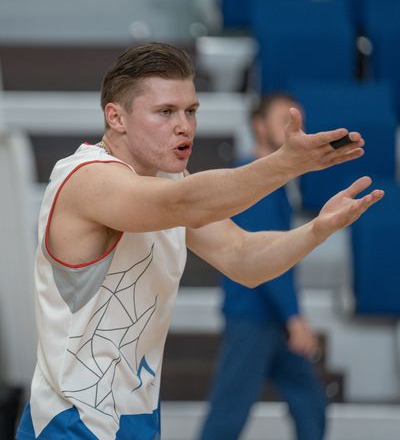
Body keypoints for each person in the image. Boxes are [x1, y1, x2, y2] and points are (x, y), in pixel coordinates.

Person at [16, 43, 383, 440]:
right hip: (69, 425)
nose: (184, 126)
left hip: (134, 422)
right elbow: (184, 203)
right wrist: (284, 163)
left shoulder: (169, 180)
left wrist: (316, 231)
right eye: (165, 112)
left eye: (190, 111)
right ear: (116, 117)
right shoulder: (87, 177)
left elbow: (244, 258)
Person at [199, 93, 327, 440]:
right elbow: (261, 253)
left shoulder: (278, 184)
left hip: (273, 318)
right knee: (227, 418)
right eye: (286, 121)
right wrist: (295, 318)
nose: (296, 130)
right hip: (252, 317)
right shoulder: (250, 179)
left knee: (311, 405)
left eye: (300, 122)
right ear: (259, 126)